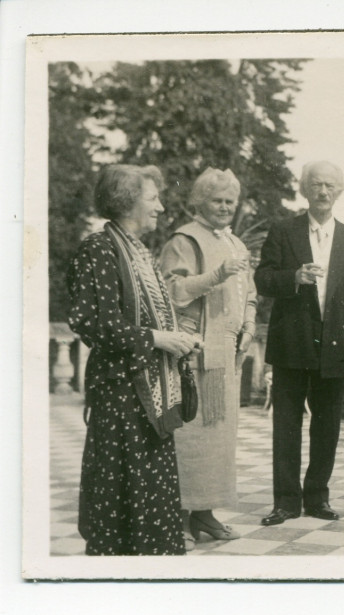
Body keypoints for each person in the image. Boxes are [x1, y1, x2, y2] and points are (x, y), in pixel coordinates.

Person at [67, 164, 202, 555]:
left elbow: (152, 317)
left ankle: (151, 571)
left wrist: (178, 340)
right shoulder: (99, 248)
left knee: (150, 492)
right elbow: (92, 322)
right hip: (121, 395)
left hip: (148, 397)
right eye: (153, 198)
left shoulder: (140, 252)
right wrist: (158, 339)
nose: (160, 207)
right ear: (127, 202)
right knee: (123, 495)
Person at [254, 161, 344, 526]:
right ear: (304, 189)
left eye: (329, 186)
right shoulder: (283, 230)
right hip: (291, 343)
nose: (323, 191)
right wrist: (293, 276)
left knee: (327, 427)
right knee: (286, 426)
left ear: (339, 191)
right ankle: (286, 502)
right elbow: (262, 279)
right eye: (316, 185)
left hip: (335, 346)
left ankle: (318, 498)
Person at [160, 168, 257, 542]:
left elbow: (249, 293)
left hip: (227, 355)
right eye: (217, 200)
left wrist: (249, 325)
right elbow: (172, 291)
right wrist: (216, 275)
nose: (224, 207)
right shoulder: (184, 239)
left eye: (230, 201)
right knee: (192, 438)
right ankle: (178, 517)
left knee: (219, 440)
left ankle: (204, 514)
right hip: (194, 355)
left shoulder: (235, 243)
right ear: (200, 201)